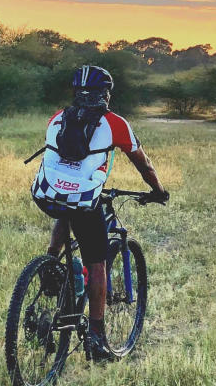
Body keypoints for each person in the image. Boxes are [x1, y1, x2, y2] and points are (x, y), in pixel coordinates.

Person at [30, 65, 168, 362]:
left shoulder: (57, 118)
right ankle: (96, 336)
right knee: (97, 264)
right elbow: (143, 164)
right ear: (106, 94)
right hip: (83, 200)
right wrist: (158, 190)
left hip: (47, 194)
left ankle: (51, 265)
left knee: (65, 211)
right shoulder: (114, 123)